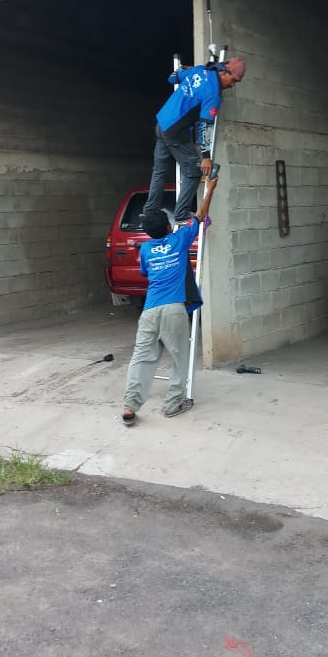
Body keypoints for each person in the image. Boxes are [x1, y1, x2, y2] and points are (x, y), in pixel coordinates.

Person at [122, 175, 219, 426]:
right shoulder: (179, 240)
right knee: (180, 358)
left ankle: (130, 406)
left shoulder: (145, 250)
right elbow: (199, 215)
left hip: (150, 310)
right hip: (174, 310)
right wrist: (209, 190)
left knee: (142, 357)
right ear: (168, 227)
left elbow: (145, 272)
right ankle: (173, 403)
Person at [142, 57, 245, 225]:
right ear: (224, 72)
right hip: (176, 131)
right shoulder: (213, 94)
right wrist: (205, 156)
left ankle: (149, 211)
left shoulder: (198, 71)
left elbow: (172, 77)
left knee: (159, 171)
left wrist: (185, 72)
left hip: (162, 123)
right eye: (233, 80)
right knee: (194, 172)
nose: (233, 85)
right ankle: (181, 214)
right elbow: (205, 127)